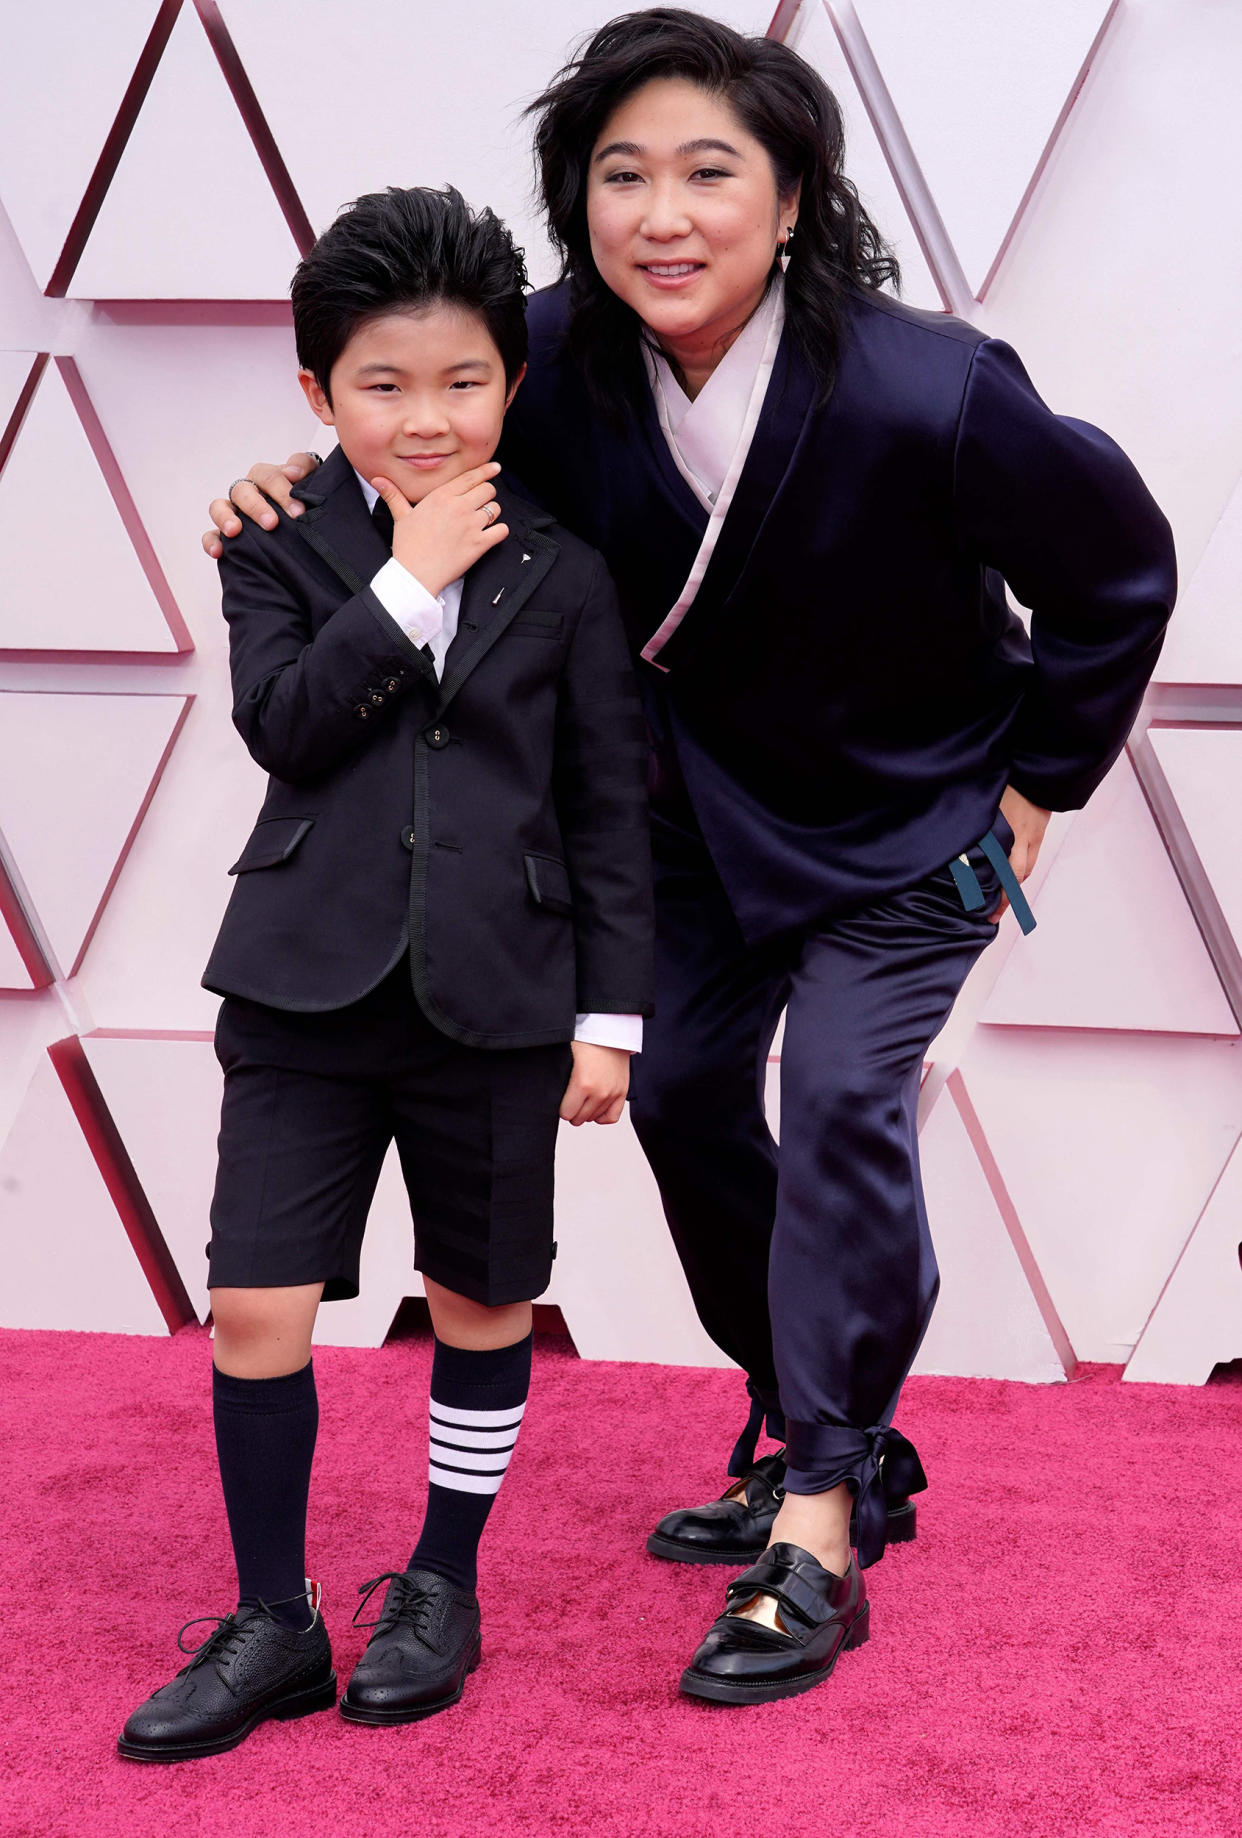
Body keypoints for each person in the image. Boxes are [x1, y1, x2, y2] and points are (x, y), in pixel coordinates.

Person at [206, 10, 1176, 1705]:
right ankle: (790, 1404)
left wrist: (1042, 777)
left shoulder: (928, 383)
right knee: (676, 1095)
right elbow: (418, 416)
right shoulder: (558, 354)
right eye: (620, 174)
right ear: (576, 203)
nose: (663, 212)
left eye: (708, 172)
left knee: (847, 1098)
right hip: (695, 824)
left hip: (905, 824)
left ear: (791, 196)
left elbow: (1119, 572)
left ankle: (821, 1506)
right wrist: (285, 493)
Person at [119, 185, 652, 1762]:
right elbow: (285, 723)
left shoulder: (567, 571)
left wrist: (607, 1020)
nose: (427, 416)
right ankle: (273, 1615)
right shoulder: (276, 536)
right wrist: (406, 575)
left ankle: (439, 1581)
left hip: (504, 991)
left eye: (465, 382)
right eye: (383, 385)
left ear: (514, 381)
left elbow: (607, 807)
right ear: (316, 393)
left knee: (483, 1297)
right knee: (251, 1305)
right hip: (297, 987)